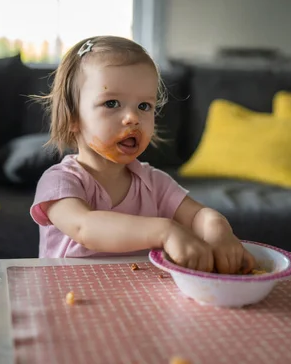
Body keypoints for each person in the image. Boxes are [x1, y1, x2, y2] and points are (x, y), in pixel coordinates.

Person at [30, 36, 256, 274]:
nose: (133, 118)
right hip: (70, 299)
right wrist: (165, 231)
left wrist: (217, 229)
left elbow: (198, 214)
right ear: (73, 117)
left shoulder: (154, 183)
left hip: (139, 302)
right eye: (112, 103)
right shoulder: (59, 182)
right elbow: (84, 228)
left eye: (144, 106)